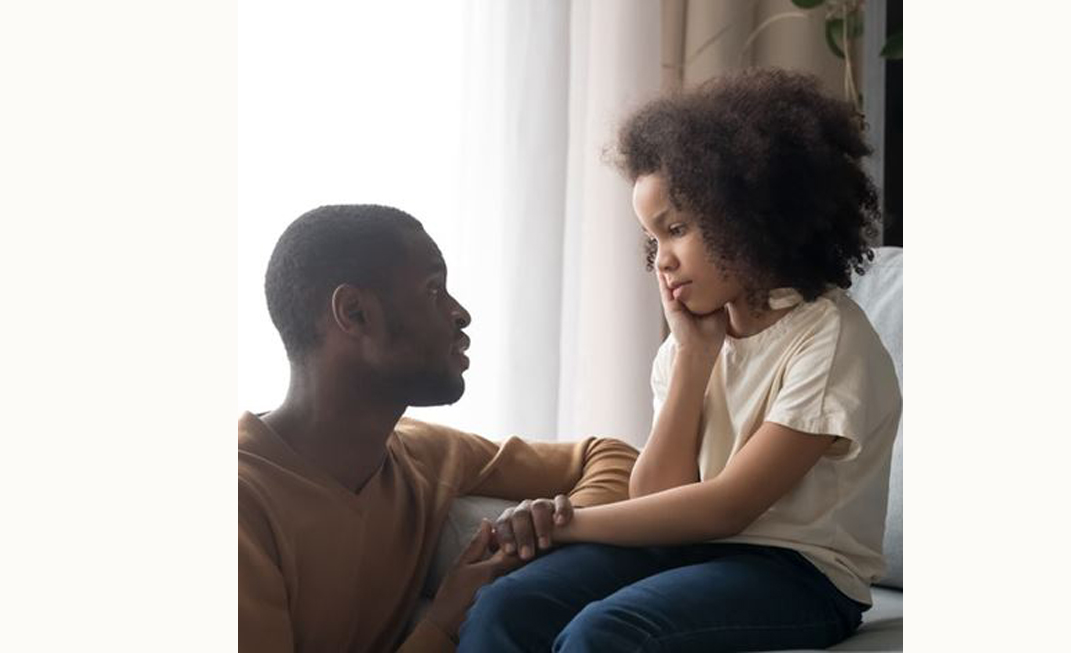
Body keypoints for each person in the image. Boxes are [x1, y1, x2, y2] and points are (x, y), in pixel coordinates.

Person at [459, 68, 902, 652]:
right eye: (653, 239)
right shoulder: (687, 345)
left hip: (801, 575)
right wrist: (693, 361)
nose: (661, 260)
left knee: (606, 633)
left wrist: (566, 523)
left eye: (677, 230)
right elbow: (654, 496)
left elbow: (727, 507)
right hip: (693, 552)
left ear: (747, 215)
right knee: (506, 605)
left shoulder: (829, 340)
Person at [238, 204, 638, 652]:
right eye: (434, 290)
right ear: (354, 313)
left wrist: (554, 534)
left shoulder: (420, 454)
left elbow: (610, 456)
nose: (461, 314)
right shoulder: (241, 507)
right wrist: (443, 625)